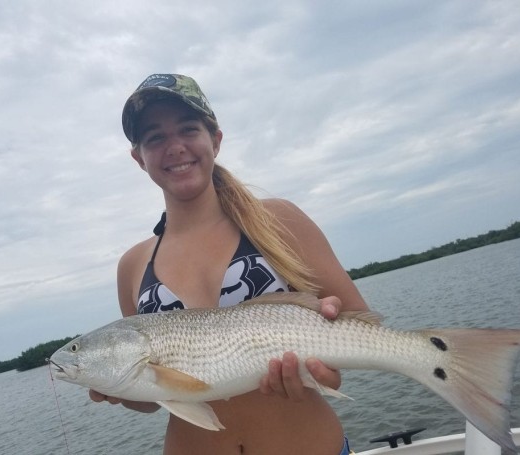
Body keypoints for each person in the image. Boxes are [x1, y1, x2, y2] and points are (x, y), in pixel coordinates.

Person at [89, 73, 369, 455]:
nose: (174, 147)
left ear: (215, 140)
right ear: (139, 158)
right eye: (155, 138)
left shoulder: (277, 220)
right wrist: (118, 388)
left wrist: (325, 372)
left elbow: (357, 322)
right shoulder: (133, 265)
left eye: (188, 129)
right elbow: (154, 399)